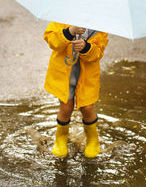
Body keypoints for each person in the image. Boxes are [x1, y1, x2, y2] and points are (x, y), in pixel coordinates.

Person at [43, 22, 109, 158]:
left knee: (87, 107)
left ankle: (92, 139)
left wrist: (86, 48)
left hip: (87, 76)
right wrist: (69, 32)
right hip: (64, 74)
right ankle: (60, 138)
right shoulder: (61, 18)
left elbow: (98, 52)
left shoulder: (100, 26)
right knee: (66, 106)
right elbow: (52, 41)